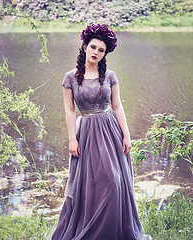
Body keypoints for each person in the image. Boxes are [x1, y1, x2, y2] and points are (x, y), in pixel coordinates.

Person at [50, 24, 151, 240]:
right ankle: (90, 230)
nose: (96, 52)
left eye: (101, 50)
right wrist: (72, 139)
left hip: (110, 131)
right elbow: (69, 110)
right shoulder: (70, 77)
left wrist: (127, 135)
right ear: (85, 46)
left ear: (105, 53)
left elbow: (118, 106)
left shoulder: (110, 76)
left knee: (114, 182)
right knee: (90, 185)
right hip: (85, 132)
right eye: (93, 47)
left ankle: (113, 232)